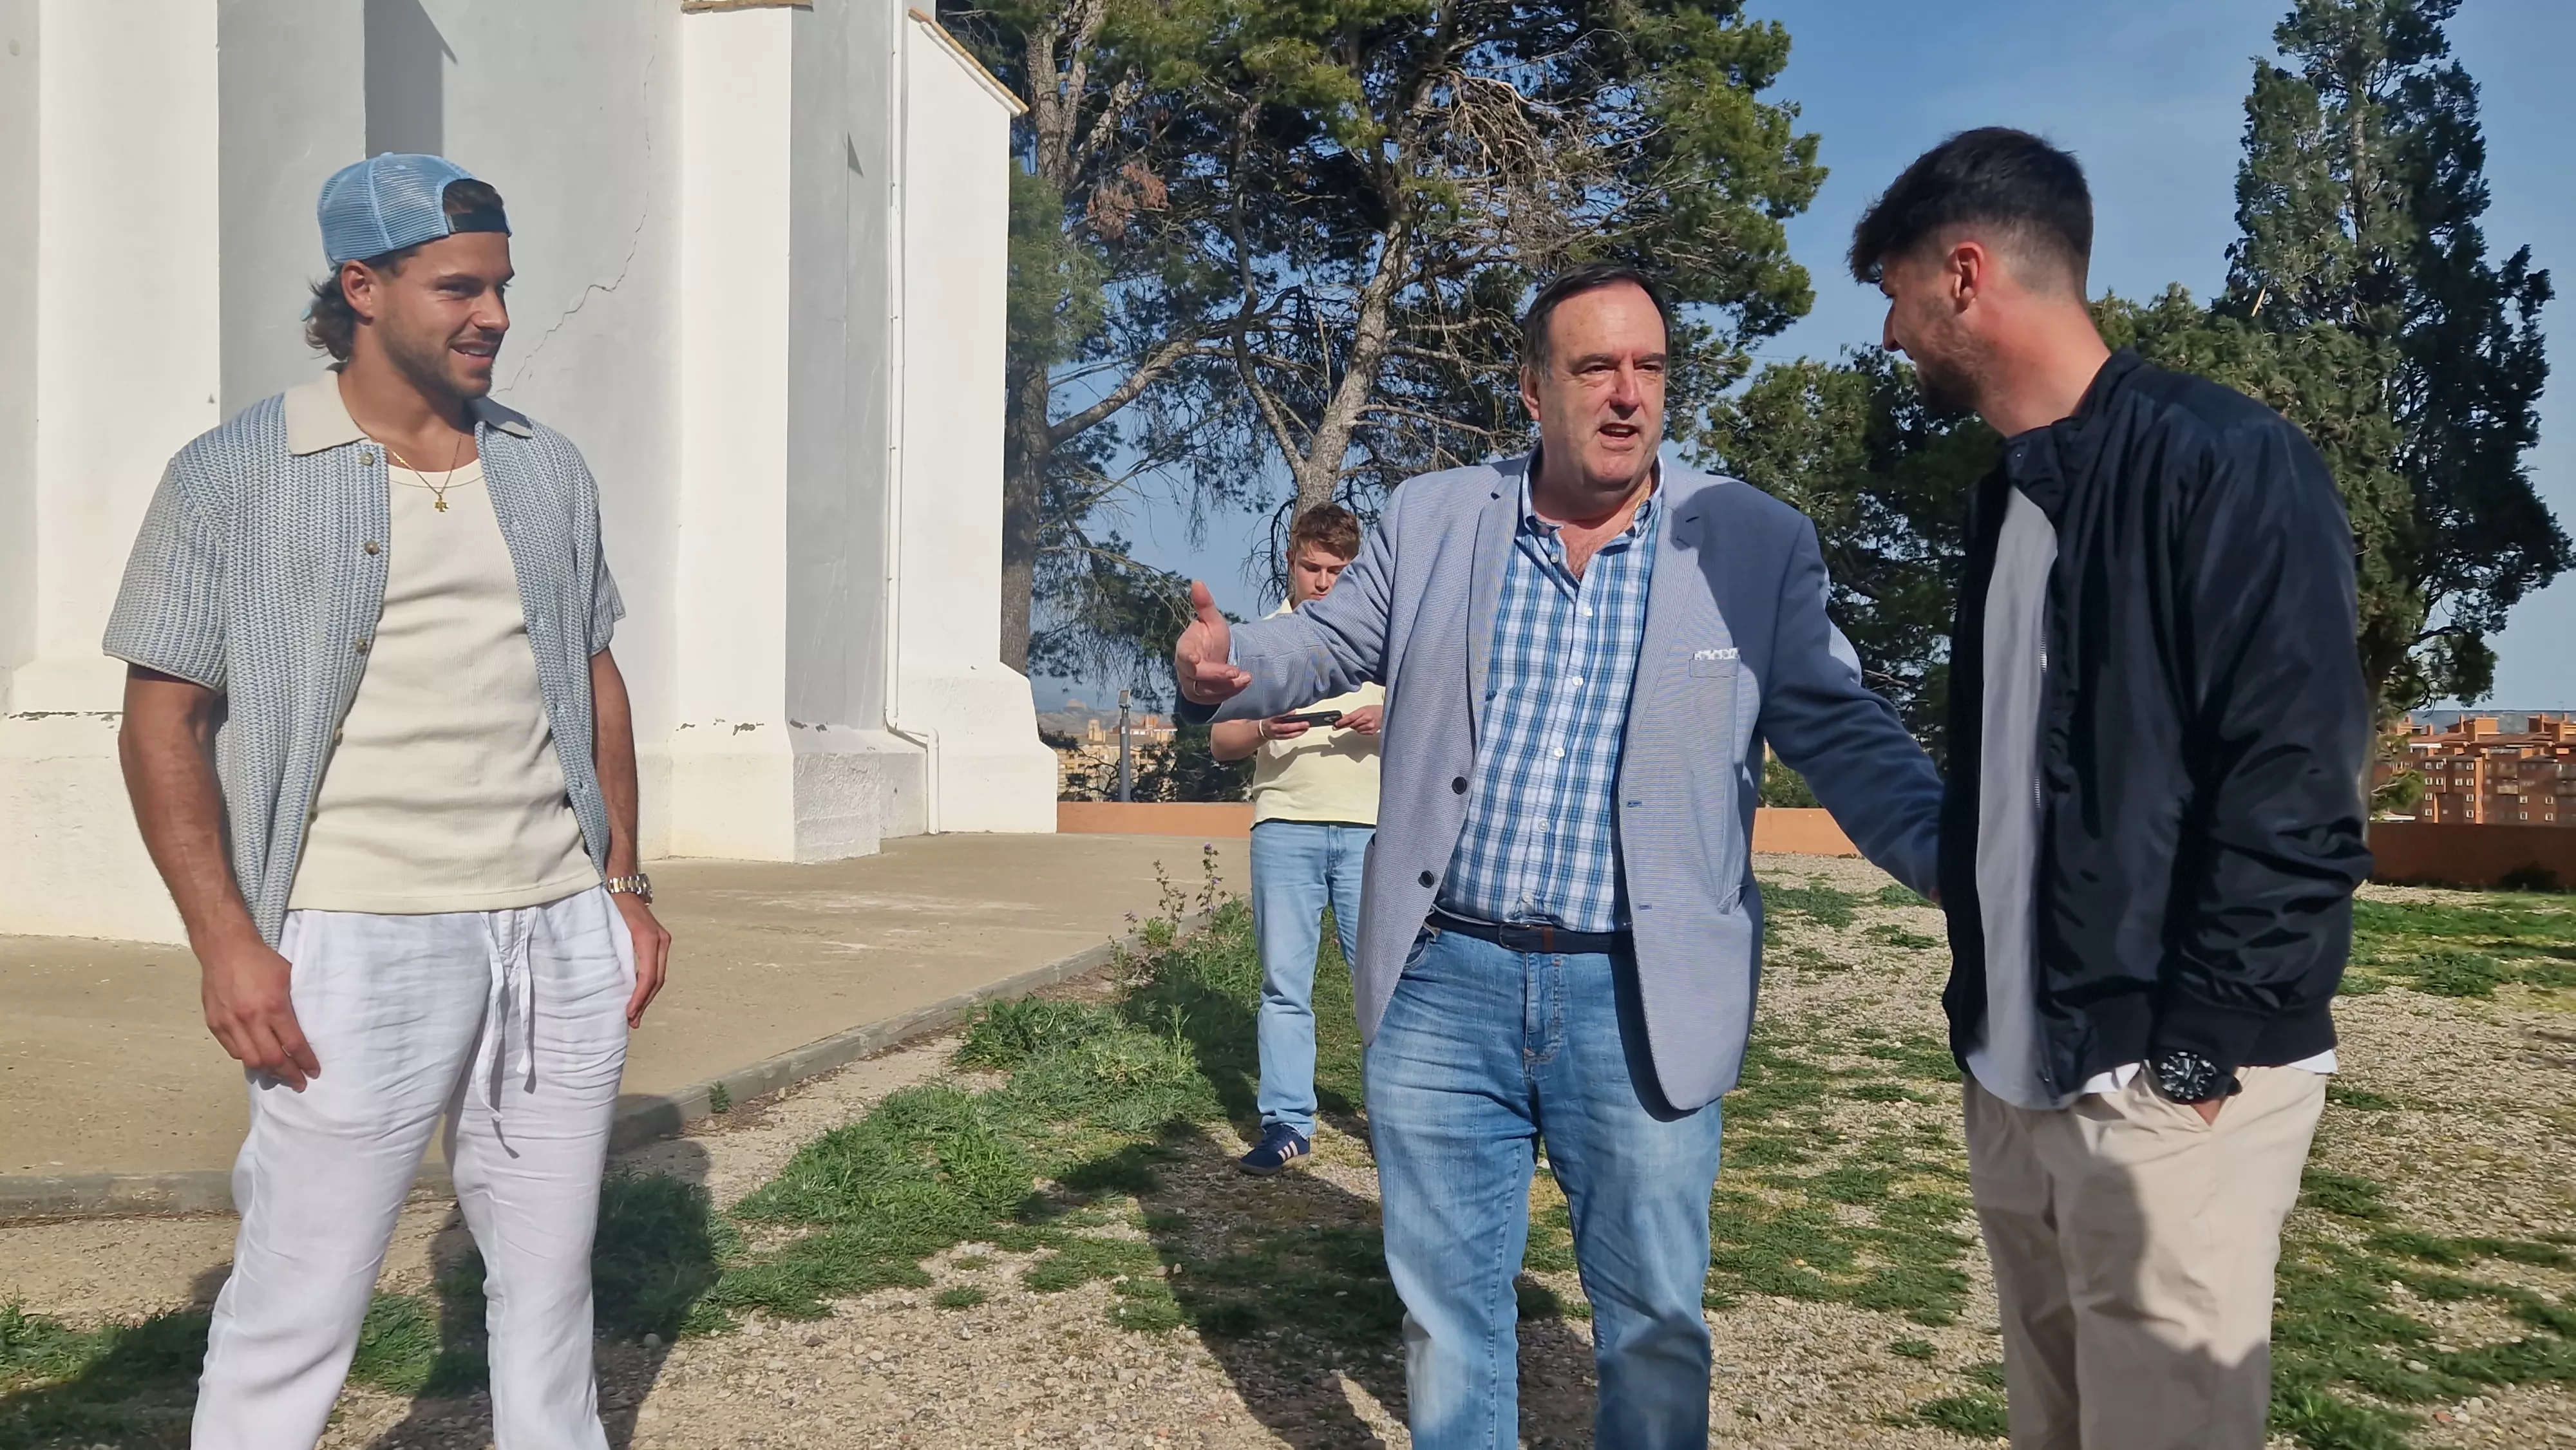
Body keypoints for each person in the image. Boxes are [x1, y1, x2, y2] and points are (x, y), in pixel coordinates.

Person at [1173, 263, 1944, 1448]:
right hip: (1446, 982)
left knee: (1652, 1323)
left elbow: (1844, 730)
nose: (1629, 394)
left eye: (1650, 367)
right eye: (1596, 367)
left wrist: (1964, 864)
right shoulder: (1434, 518)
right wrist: (1235, 666)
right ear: (1533, 389)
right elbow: (1321, 644)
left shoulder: (1749, 541)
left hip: (1639, 992)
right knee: (1448, 1319)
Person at [104, 153, 670, 1450]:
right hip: (353, 935)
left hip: (553, 931)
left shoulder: (544, 466)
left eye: (503, 287)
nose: (494, 317)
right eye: (458, 287)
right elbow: (162, 720)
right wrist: (226, 941)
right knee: (299, 1293)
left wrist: (622, 886)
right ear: (362, 288)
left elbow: (593, 678)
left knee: (546, 1288)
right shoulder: (233, 473)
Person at [1853, 128, 2372, 1450]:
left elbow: (2293, 786)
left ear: (1962, 273)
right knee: (2057, 1425)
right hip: (2019, 1074)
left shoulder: (2225, 459)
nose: (1893, 334)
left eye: (1895, 296)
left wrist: (2198, 1048)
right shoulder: (2011, 500)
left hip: (2168, 1083)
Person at [1208, 504, 1386, 1176]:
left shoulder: (1382, 639)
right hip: (1284, 824)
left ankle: (1393, 1120)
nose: (1322, 581)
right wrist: (1261, 728)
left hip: (1371, 828)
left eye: (1337, 571)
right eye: (1311, 567)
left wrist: (1388, 718)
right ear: (1291, 562)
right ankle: (1287, 1122)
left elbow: (1441, 723)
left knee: (1383, 984)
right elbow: (1221, 740)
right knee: (1285, 984)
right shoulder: (1267, 641)